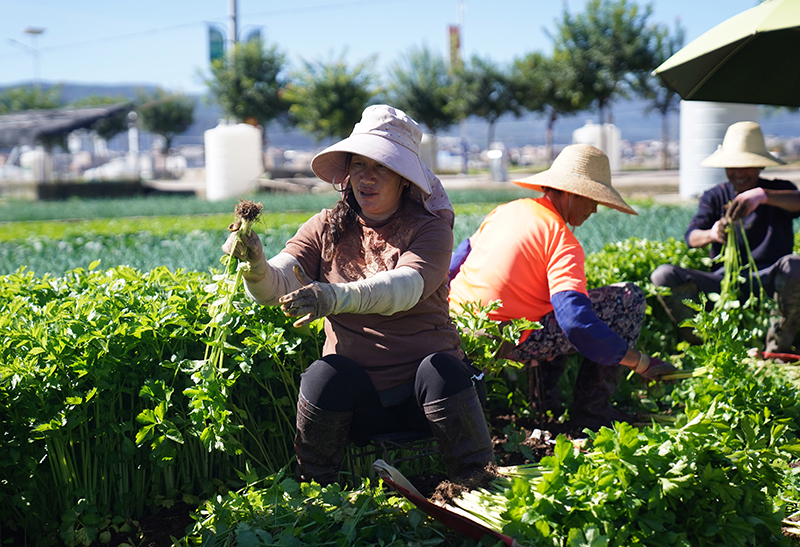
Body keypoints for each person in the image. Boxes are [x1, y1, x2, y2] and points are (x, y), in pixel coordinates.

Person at [223, 105, 493, 485]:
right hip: (362, 404)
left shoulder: (430, 229)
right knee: (324, 373)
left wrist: (333, 298)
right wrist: (255, 266)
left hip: (427, 400)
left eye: (381, 167)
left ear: (403, 179)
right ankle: (315, 493)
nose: (367, 177)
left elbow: (405, 287)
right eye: (359, 165)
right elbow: (281, 281)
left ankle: (476, 483)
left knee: (442, 369)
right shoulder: (325, 227)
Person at [448, 144, 676, 430]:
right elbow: (576, 323)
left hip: (456, 328)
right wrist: (640, 362)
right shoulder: (561, 240)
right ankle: (592, 413)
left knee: (551, 302)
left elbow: (454, 264)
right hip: (505, 341)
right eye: (592, 199)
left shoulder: (507, 211)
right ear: (569, 192)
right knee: (627, 298)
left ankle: (545, 402)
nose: (595, 209)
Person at [651, 121, 800, 353]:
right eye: (732, 166)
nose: (739, 173)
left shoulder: (779, 189)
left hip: (770, 280)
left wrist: (762, 196)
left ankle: (776, 348)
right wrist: (712, 233)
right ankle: (705, 347)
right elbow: (691, 237)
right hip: (723, 282)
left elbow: (797, 201)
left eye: (747, 166)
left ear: (761, 165)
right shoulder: (715, 196)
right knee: (664, 275)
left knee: (795, 265)